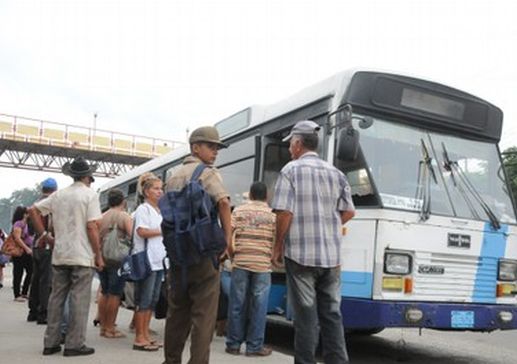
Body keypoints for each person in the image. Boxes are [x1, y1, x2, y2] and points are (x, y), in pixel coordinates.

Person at [271, 120, 355, 364]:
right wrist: (327, 225)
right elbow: (349, 212)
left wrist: (278, 247)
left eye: (290, 144)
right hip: (331, 258)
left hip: (300, 255)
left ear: (298, 144)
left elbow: (284, 213)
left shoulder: (290, 170)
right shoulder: (336, 173)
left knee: (306, 316)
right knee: (332, 314)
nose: (289, 149)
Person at [164, 126, 232, 364]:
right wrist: (228, 241)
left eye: (217, 148)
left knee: (177, 312)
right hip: (204, 254)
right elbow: (223, 203)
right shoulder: (208, 173)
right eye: (211, 146)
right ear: (195, 148)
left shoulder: (172, 175)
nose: (215, 152)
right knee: (203, 316)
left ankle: (171, 360)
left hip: (178, 253)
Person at [29, 156, 104, 357]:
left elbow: (33, 210)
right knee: (79, 299)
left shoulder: (59, 195)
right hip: (82, 254)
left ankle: (50, 343)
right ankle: (74, 344)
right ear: (88, 176)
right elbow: (92, 227)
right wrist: (98, 255)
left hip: (60, 254)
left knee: (56, 298)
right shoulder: (90, 195)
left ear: (71, 175)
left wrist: (44, 236)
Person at [225, 181, 276, 357]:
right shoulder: (272, 215)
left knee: (237, 304)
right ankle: (254, 347)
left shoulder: (238, 211)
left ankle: (233, 344)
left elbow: (228, 237)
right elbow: (276, 241)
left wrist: (233, 256)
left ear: (251, 195)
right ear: (266, 196)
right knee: (259, 306)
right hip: (262, 265)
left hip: (240, 262)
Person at [132, 172, 166, 352]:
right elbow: (141, 231)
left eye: (161, 189)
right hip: (147, 260)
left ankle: (145, 334)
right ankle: (139, 337)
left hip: (159, 261)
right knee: (144, 300)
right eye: (156, 188)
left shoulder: (159, 210)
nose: (160, 192)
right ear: (146, 192)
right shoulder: (143, 209)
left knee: (152, 300)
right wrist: (163, 230)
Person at [97, 188, 132, 339]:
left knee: (104, 292)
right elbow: (132, 235)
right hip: (118, 259)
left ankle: (103, 326)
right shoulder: (124, 216)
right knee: (115, 294)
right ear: (123, 201)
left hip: (102, 257)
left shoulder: (101, 216)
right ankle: (111, 328)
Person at [27, 177, 58, 324]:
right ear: (55, 190)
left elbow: (31, 228)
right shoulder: (50, 205)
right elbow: (52, 226)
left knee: (35, 279)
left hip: (35, 246)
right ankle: (43, 313)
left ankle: (32, 311)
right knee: (46, 281)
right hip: (46, 246)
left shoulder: (34, 204)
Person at [10, 206, 34, 302]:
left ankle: (24, 292)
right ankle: (17, 294)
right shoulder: (18, 224)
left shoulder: (27, 224)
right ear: (24, 214)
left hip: (27, 250)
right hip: (20, 251)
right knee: (18, 272)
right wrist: (26, 248)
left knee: (31, 271)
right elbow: (17, 238)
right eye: (27, 212)